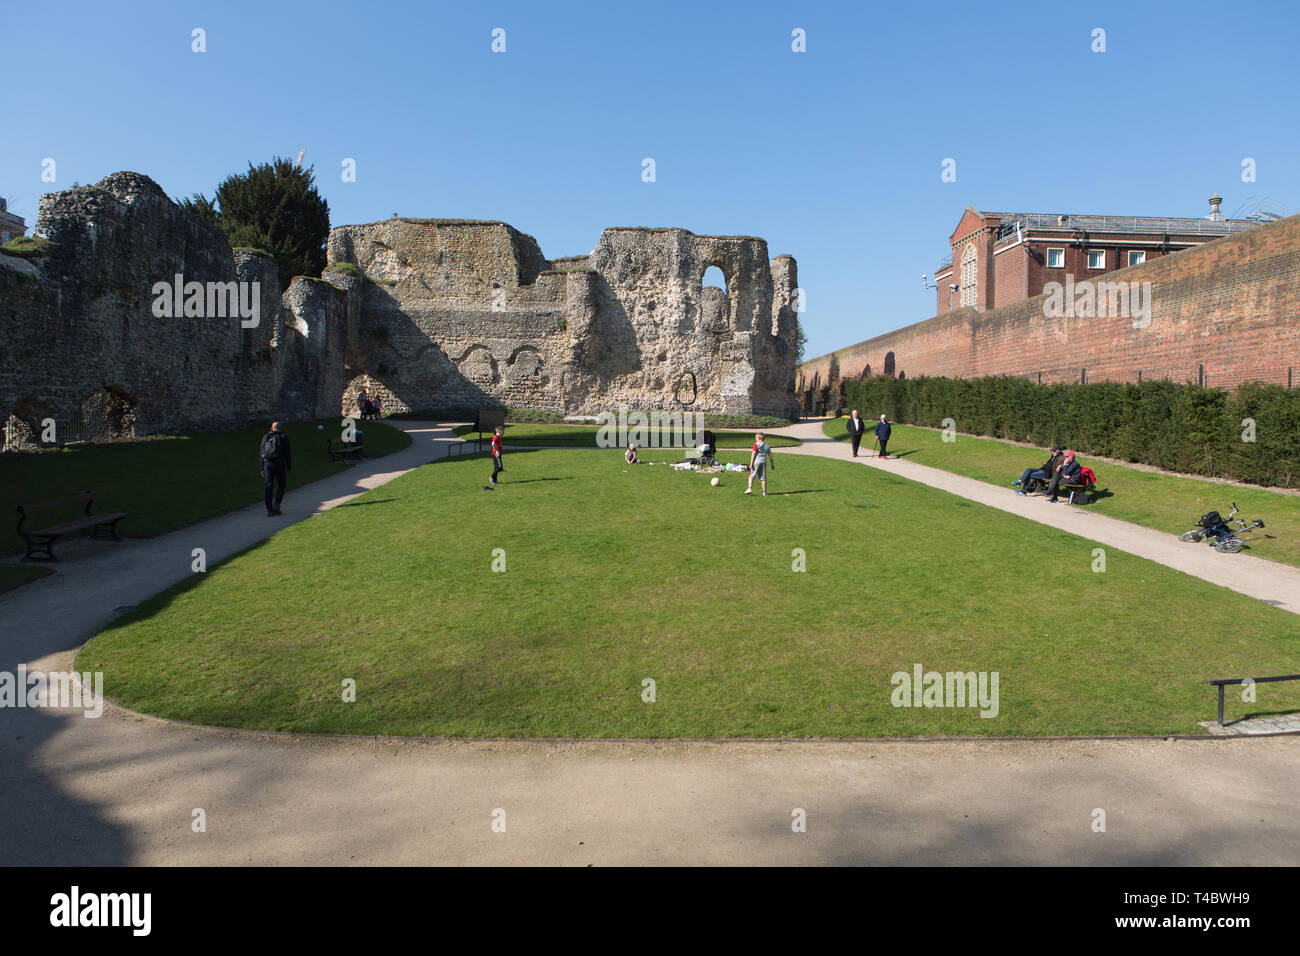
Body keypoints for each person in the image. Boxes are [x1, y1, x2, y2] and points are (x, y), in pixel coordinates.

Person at [258, 421, 292, 516]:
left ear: (271, 428)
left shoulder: (266, 437)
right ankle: (277, 504)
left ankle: (269, 508)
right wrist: (289, 467)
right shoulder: (283, 437)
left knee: (269, 486)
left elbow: (262, 453)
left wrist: (262, 467)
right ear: (280, 428)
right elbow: (287, 454)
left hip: (267, 464)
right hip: (279, 464)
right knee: (281, 484)